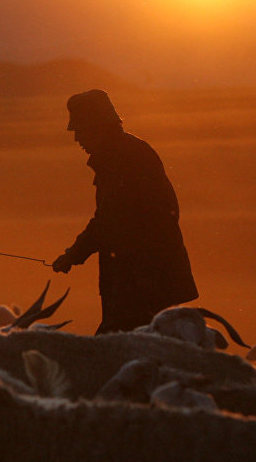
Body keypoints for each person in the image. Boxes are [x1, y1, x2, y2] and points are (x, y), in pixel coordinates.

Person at [52, 89, 198, 334]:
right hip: (145, 278)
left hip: (143, 282)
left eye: (80, 130)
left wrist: (74, 254)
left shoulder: (123, 160)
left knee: (120, 345)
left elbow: (110, 219)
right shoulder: (126, 154)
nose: (77, 139)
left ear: (97, 127)